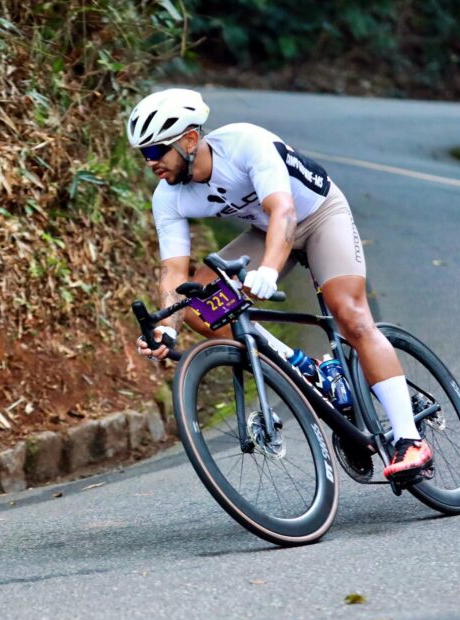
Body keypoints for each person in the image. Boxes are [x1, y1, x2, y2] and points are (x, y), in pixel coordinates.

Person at [129, 88, 432, 481]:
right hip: (264, 230)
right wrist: (166, 327)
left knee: (351, 317)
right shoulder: (167, 197)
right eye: (143, 155)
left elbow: (284, 212)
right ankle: (302, 367)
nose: (150, 163)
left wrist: (269, 271)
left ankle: (410, 441)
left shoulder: (245, 143)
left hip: (318, 215)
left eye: (156, 152)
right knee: (200, 307)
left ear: (189, 139)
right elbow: (174, 272)